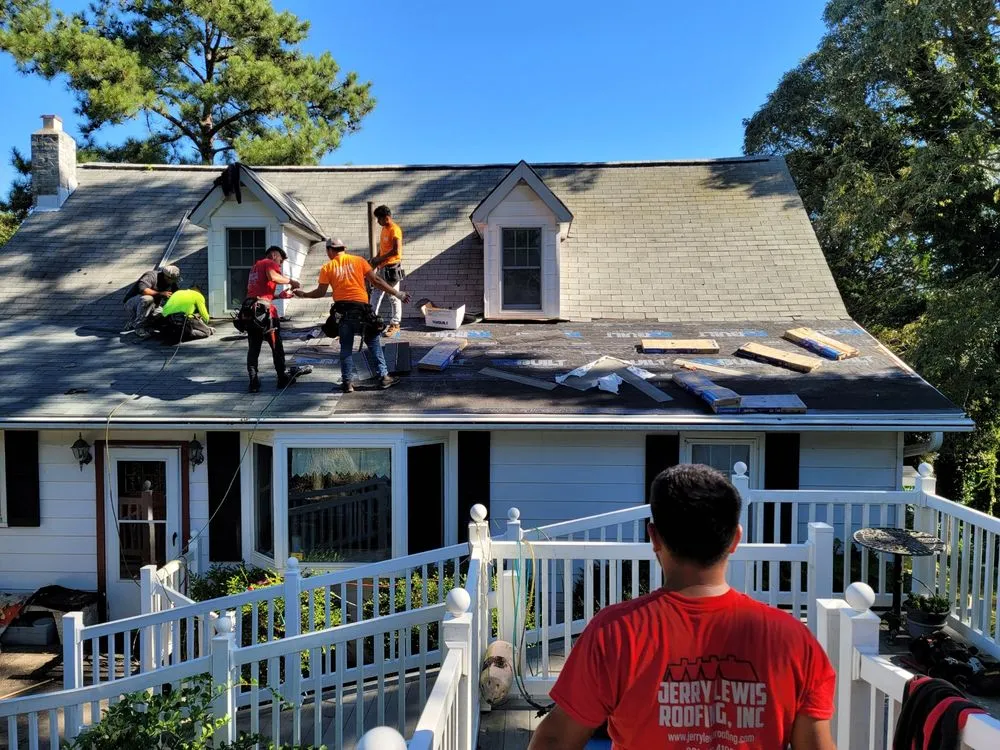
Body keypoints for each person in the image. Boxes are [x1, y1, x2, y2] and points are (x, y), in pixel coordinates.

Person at [528, 464, 837, 750]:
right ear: (735, 539)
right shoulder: (795, 640)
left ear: (654, 537)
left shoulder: (615, 632)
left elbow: (555, 741)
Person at [295, 237, 411, 393]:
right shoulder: (359, 261)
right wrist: (398, 294)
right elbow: (376, 280)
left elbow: (320, 292)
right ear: (343, 248)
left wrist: (303, 294)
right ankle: (384, 377)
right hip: (362, 310)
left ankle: (347, 383)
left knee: (346, 348)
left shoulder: (328, 267)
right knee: (373, 342)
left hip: (342, 312)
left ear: (329, 250)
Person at [241, 245, 310, 393]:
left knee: (253, 348)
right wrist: (291, 281)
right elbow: (273, 277)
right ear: (274, 255)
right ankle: (282, 378)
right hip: (266, 314)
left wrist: (280, 296)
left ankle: (253, 382)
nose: (280, 265)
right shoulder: (269, 263)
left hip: (250, 313)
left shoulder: (255, 267)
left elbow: (260, 294)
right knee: (276, 347)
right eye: (280, 261)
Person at [369, 205, 404, 336]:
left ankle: (395, 324)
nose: (378, 222)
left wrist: (380, 259)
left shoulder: (395, 230)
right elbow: (383, 249)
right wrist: (377, 259)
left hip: (392, 269)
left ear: (386, 217)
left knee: (393, 296)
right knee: (376, 293)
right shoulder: (384, 229)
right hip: (382, 268)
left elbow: (396, 251)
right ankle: (372, 320)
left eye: (379, 219)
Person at [123, 265, 180, 337]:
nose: (174, 282)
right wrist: (160, 294)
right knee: (148, 299)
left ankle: (133, 322)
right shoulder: (151, 276)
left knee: (164, 314)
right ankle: (139, 327)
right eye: (173, 279)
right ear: (166, 277)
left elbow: (177, 295)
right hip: (132, 304)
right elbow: (143, 290)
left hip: (152, 306)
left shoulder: (171, 283)